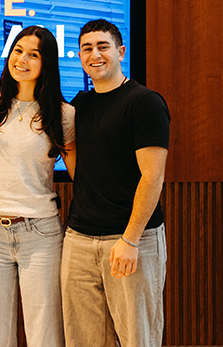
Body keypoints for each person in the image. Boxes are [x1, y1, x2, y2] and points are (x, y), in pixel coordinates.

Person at [61, 19, 170, 347]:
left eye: (102, 46)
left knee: (138, 339)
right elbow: (81, 169)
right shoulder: (81, 106)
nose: (94, 54)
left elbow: (153, 176)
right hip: (79, 240)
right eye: (86, 49)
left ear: (121, 52)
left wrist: (130, 240)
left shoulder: (145, 102)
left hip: (129, 240)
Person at [0, 25, 75, 347]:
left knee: (44, 331)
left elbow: (80, 176)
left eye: (34, 54)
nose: (23, 59)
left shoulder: (64, 114)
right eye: (18, 50)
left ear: (48, 62)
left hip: (40, 234)